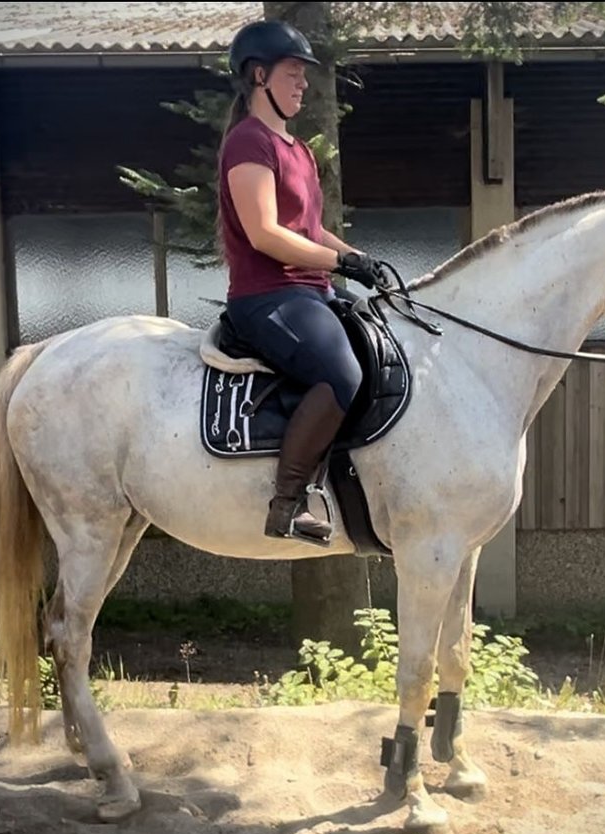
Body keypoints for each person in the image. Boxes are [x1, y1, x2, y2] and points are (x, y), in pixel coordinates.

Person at [217, 19, 395, 547]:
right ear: (258, 76)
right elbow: (266, 234)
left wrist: (360, 258)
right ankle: (286, 504)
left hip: (309, 290)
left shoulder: (297, 150)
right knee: (341, 374)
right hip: (265, 297)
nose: (302, 84)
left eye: (303, 76)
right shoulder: (248, 144)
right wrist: (338, 266)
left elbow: (310, 229)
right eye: (292, 73)